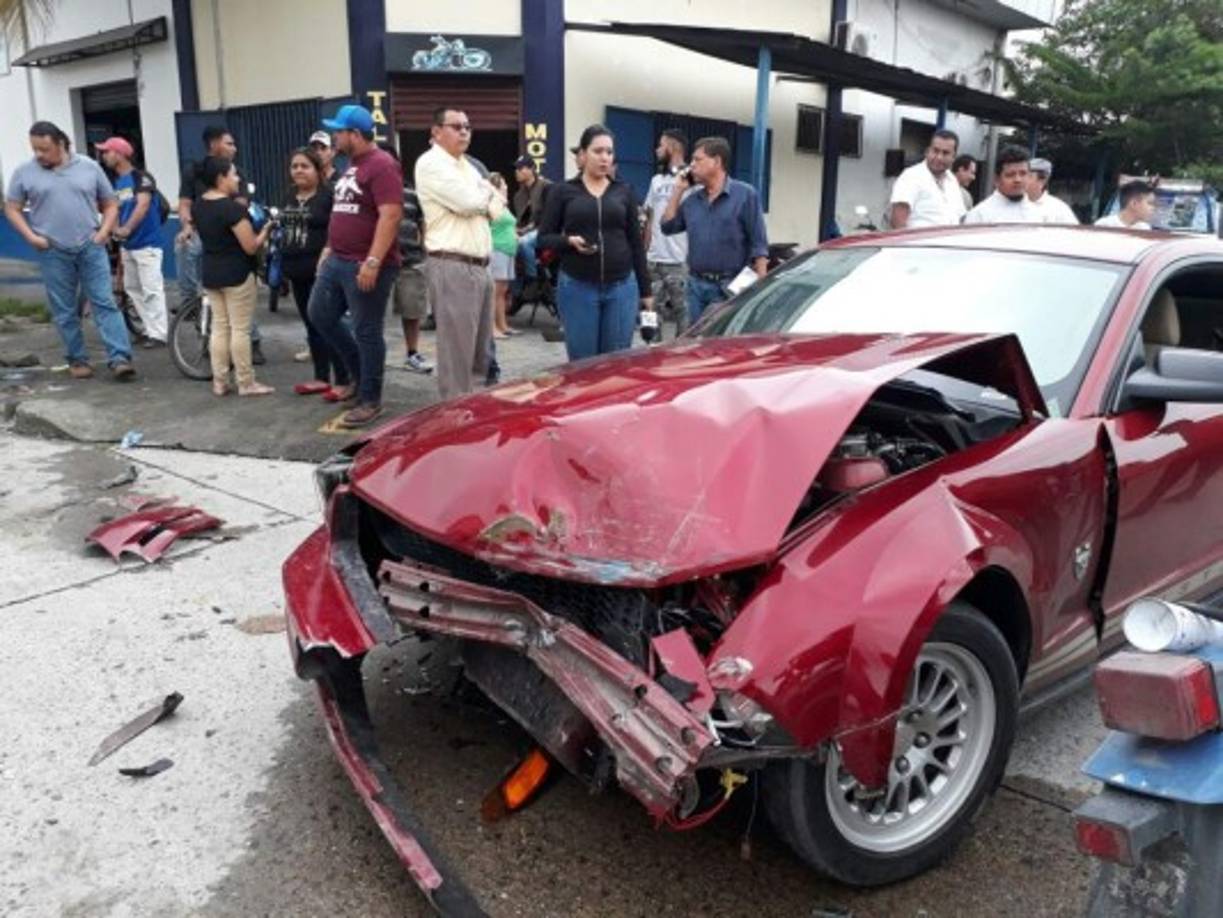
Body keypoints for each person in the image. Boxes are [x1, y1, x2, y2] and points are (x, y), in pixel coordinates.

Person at [3, 121, 135, 380]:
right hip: (52, 249)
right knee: (64, 309)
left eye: (44, 149)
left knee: (104, 302)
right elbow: (12, 208)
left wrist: (103, 232)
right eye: (35, 149)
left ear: (61, 144)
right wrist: (31, 237)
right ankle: (77, 359)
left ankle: (119, 358)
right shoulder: (24, 172)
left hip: (90, 245)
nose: (39, 154)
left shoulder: (88, 167)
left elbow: (109, 203)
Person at [309, 105, 403, 427]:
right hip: (338, 259)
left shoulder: (382, 165)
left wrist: (373, 261)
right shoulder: (352, 165)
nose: (335, 137)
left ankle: (370, 399)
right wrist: (329, 247)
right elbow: (345, 212)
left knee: (367, 330)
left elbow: (390, 215)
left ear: (355, 134)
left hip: (366, 263)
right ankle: (358, 377)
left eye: (339, 131)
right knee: (320, 314)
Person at [537, 124, 652, 360]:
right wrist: (568, 241)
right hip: (578, 287)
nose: (604, 158)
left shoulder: (625, 191)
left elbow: (635, 243)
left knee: (616, 364)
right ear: (583, 154)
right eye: (597, 151)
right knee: (583, 364)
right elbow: (543, 238)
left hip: (622, 288)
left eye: (609, 152)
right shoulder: (562, 191)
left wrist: (646, 291)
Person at [414, 106, 503, 398]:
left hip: (480, 266)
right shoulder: (431, 163)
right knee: (457, 356)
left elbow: (498, 209)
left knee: (480, 353)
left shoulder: (467, 165)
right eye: (456, 126)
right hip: (452, 264)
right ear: (436, 132)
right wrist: (488, 195)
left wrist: (487, 197)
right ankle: (452, 423)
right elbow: (469, 202)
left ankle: (471, 418)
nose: (464, 131)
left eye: (467, 126)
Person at [176, 125, 264, 363]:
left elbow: (241, 206)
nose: (234, 148)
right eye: (229, 143)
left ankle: (252, 341)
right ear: (213, 144)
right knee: (185, 248)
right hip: (202, 230)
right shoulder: (193, 171)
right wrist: (187, 226)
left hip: (230, 234)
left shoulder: (238, 174)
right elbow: (184, 203)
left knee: (237, 294)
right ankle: (191, 305)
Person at [659, 135, 767, 324]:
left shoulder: (745, 195)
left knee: (723, 345)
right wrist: (678, 190)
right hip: (695, 286)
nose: (691, 165)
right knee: (696, 346)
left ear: (717, 161)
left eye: (697, 160)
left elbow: (759, 244)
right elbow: (667, 227)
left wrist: (760, 289)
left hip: (730, 287)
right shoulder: (692, 201)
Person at [193, 156, 274, 396]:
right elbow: (250, 246)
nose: (237, 178)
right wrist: (266, 231)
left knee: (220, 328)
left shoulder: (199, 206)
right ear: (221, 178)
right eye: (233, 174)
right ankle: (246, 382)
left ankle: (220, 381)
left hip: (211, 273)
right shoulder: (232, 209)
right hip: (237, 274)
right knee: (240, 329)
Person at [277, 147, 350, 396]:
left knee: (328, 323)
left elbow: (338, 230)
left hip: (323, 273)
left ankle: (343, 379)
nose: (298, 170)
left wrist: (328, 252)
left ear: (318, 170)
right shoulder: (289, 196)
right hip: (296, 271)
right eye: (295, 166)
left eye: (304, 166)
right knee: (311, 326)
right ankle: (321, 377)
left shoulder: (329, 195)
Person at [96, 136, 168, 348]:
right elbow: (115, 209)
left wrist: (126, 228)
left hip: (147, 244)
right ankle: (149, 328)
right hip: (128, 246)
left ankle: (159, 334)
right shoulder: (117, 183)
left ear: (120, 154)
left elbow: (143, 205)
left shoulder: (141, 177)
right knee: (133, 288)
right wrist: (114, 231)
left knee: (151, 289)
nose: (104, 156)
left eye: (107, 152)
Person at [377, 141, 433, 374]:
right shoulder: (370, 192)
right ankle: (373, 356)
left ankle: (412, 354)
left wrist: (424, 247)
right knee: (372, 313)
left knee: (413, 312)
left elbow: (423, 221)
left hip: (410, 260)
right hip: (378, 262)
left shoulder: (411, 192)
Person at [642, 129, 690, 339]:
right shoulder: (656, 181)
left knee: (684, 313)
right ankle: (651, 350)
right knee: (650, 311)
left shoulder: (691, 179)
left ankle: (683, 356)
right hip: (653, 261)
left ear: (674, 147)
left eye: (661, 145)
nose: (657, 150)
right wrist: (645, 252)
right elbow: (650, 217)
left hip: (679, 261)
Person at [888, 130, 966, 229]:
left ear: (954, 157)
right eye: (935, 151)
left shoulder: (952, 181)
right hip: (918, 244)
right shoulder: (911, 176)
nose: (939, 157)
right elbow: (897, 222)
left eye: (945, 153)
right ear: (928, 151)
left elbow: (960, 218)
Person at [963, 146, 1040, 224]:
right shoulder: (979, 216)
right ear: (997, 179)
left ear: (1030, 176)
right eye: (1010, 175)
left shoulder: (1038, 215)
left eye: (1023, 174)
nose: (1018, 179)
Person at [511, 155, 551, 291]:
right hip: (527, 231)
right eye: (516, 168)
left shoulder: (546, 187)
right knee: (508, 245)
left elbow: (550, 215)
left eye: (521, 168)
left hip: (546, 229)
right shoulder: (518, 196)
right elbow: (519, 220)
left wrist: (527, 229)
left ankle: (532, 279)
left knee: (524, 242)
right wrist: (516, 230)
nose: (517, 171)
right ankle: (515, 292)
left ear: (532, 169)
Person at [488, 172, 518, 338]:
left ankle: (503, 325)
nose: (506, 187)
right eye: (503, 184)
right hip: (497, 248)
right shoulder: (494, 203)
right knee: (495, 290)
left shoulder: (504, 205)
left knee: (503, 290)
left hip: (508, 250)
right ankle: (492, 327)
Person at [1026, 158, 1078, 225]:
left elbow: (1074, 233)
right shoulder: (1011, 203)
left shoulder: (1058, 209)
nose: (1021, 181)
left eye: (1029, 176)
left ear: (1043, 180)